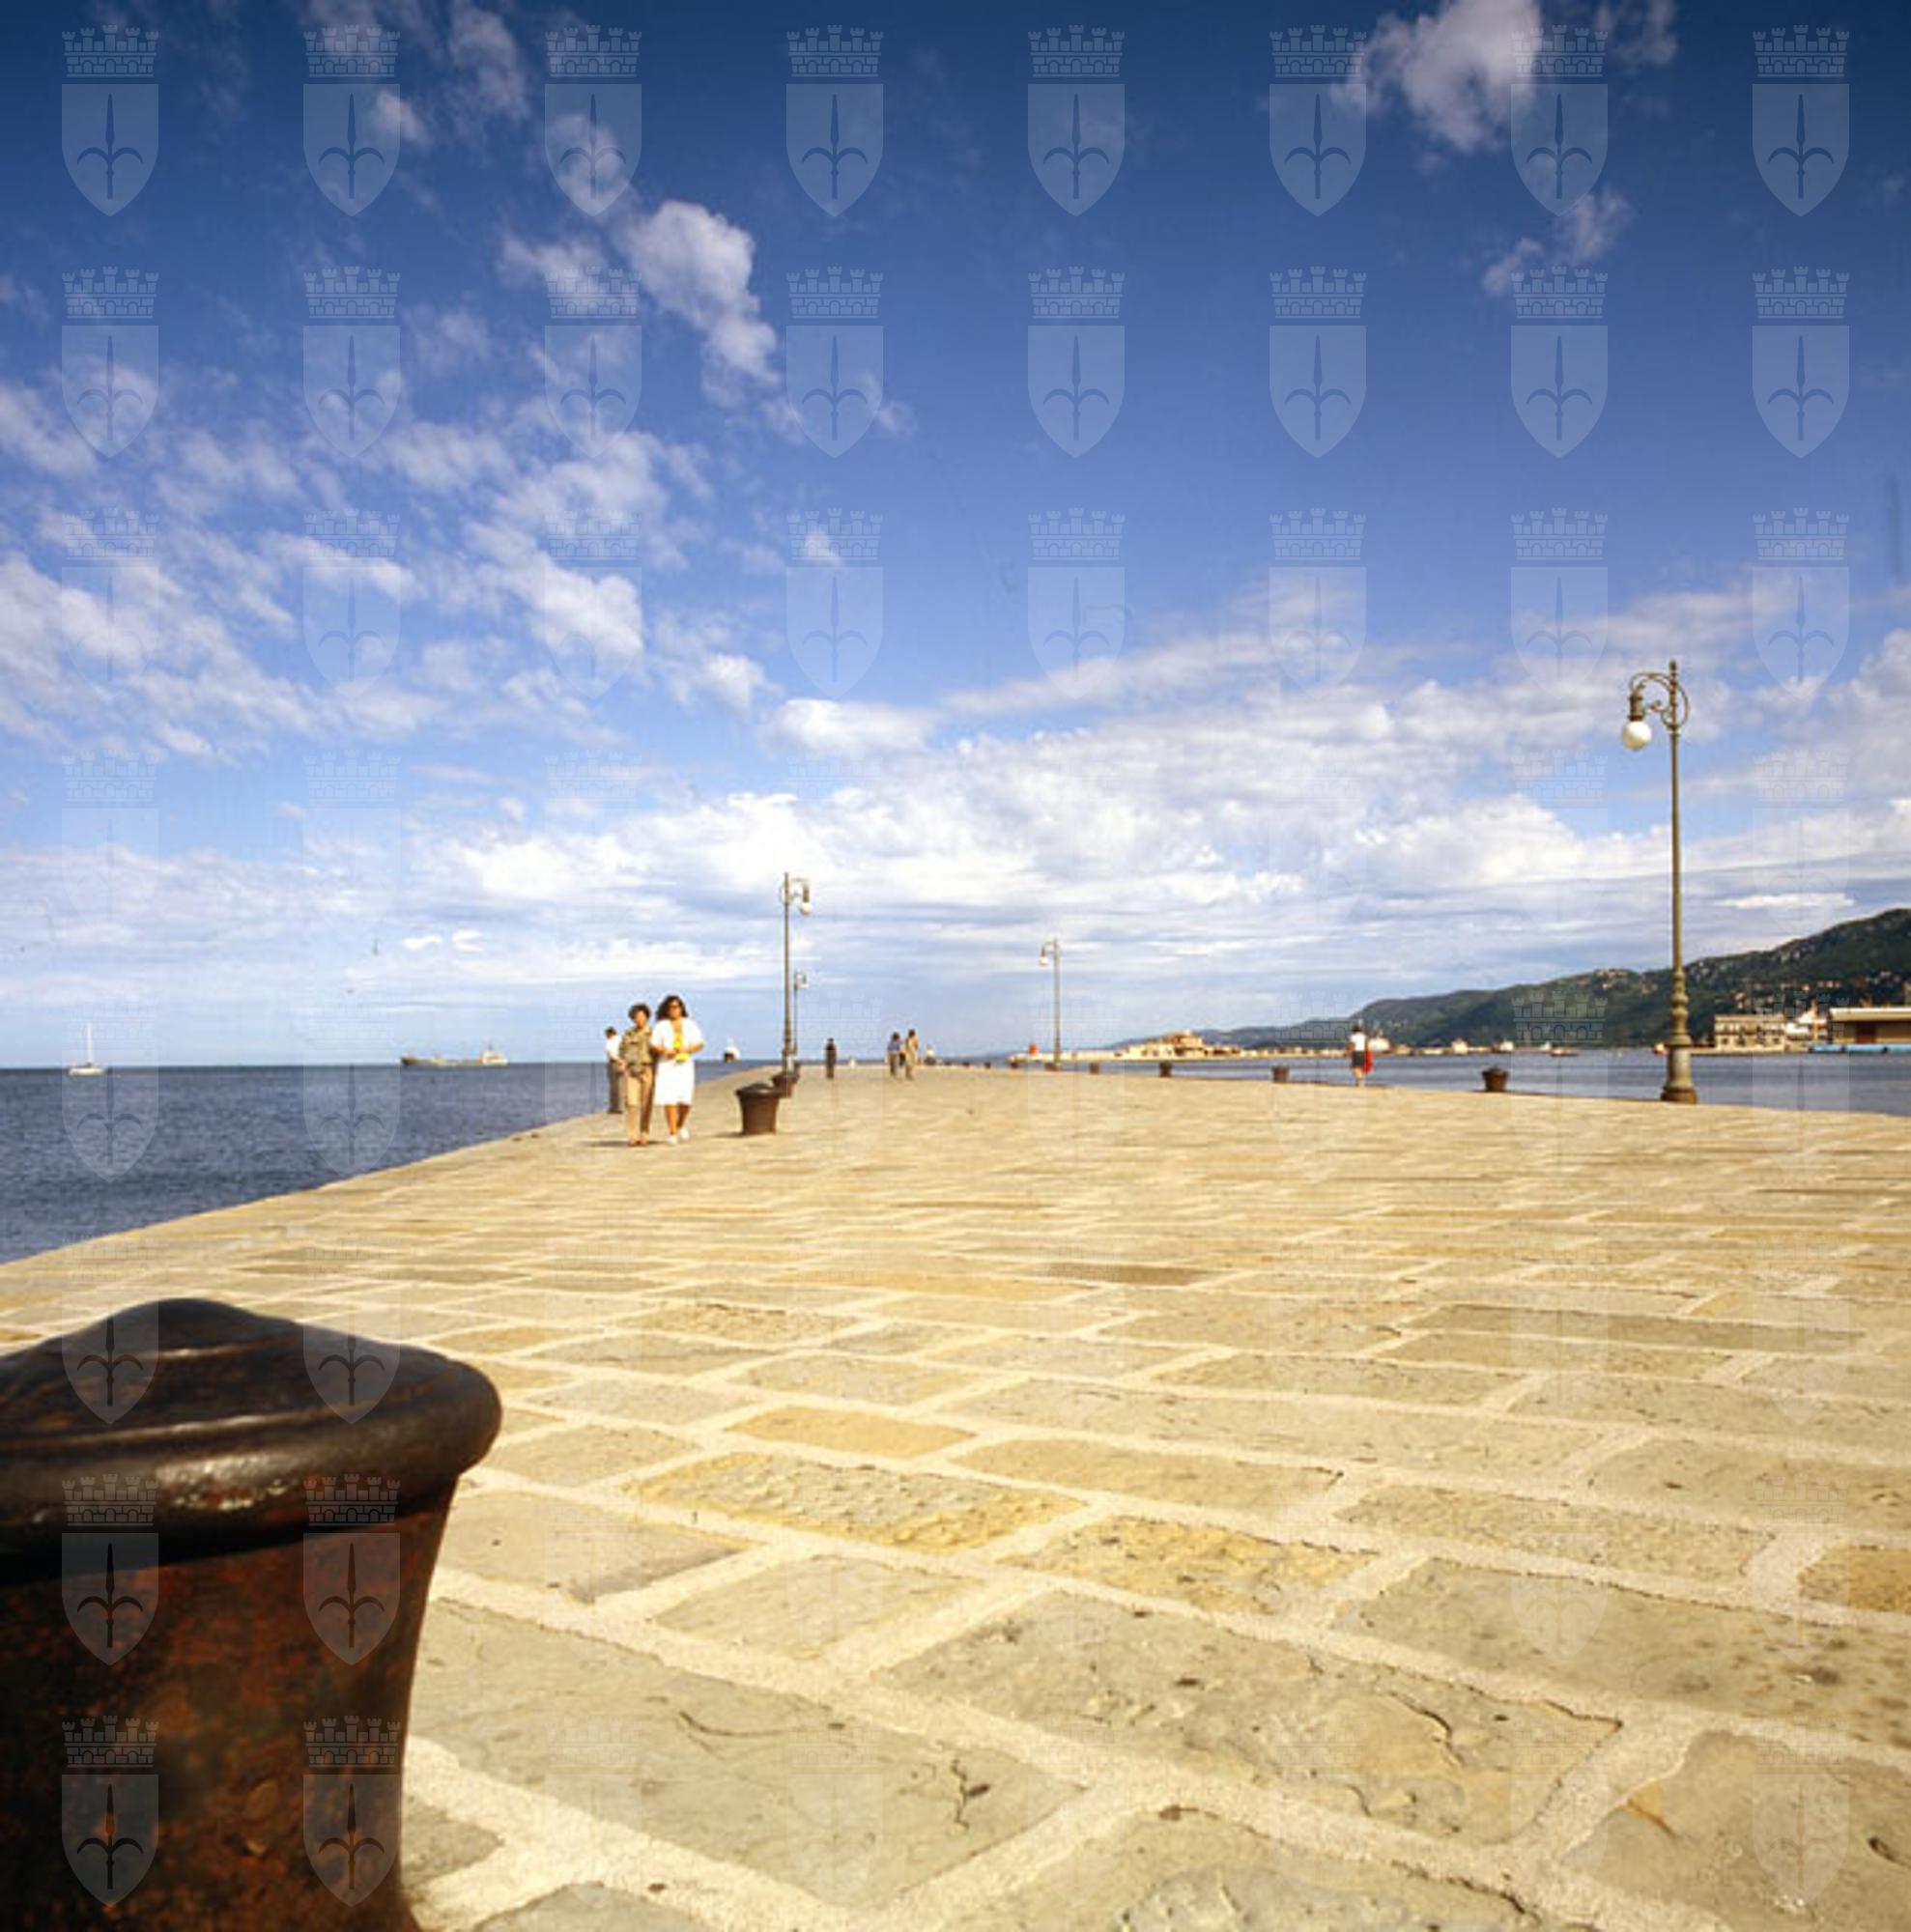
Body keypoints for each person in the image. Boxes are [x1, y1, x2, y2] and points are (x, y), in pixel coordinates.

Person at [650, 993, 705, 1142]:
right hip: (667, 1064)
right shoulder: (661, 1025)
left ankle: (681, 1124)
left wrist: (687, 1049)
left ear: (681, 1008)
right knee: (669, 1098)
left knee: (685, 1099)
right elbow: (654, 1044)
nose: (674, 1010)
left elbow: (700, 1043)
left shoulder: (690, 1024)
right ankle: (672, 1132)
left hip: (684, 1064)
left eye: (677, 1007)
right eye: (671, 1007)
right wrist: (665, 1051)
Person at [619, 1002, 656, 1146]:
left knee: (646, 1104)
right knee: (631, 1103)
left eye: (642, 1016)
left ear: (647, 1017)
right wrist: (623, 1063)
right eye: (636, 1017)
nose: (639, 1019)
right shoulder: (628, 1034)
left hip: (648, 1069)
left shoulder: (653, 1033)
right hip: (632, 1071)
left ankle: (644, 1133)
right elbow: (622, 1051)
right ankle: (632, 1135)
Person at [603, 1026, 623, 1113]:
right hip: (623, 1063)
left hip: (614, 1064)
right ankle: (621, 1107)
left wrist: (618, 1060)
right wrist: (623, 1062)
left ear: (609, 1034)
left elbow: (610, 1054)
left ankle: (614, 1107)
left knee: (613, 1087)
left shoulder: (609, 1042)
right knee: (621, 1086)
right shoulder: (621, 1040)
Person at [1349, 1020, 1373, 1088]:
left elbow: (1351, 1045)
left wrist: (1349, 1052)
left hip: (1356, 1052)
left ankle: (1360, 1080)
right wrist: (1367, 1052)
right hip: (1362, 1052)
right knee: (1361, 1068)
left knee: (1355, 1068)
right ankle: (1360, 1082)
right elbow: (1366, 1045)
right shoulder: (1364, 1036)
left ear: (1354, 1030)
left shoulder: (1353, 1037)